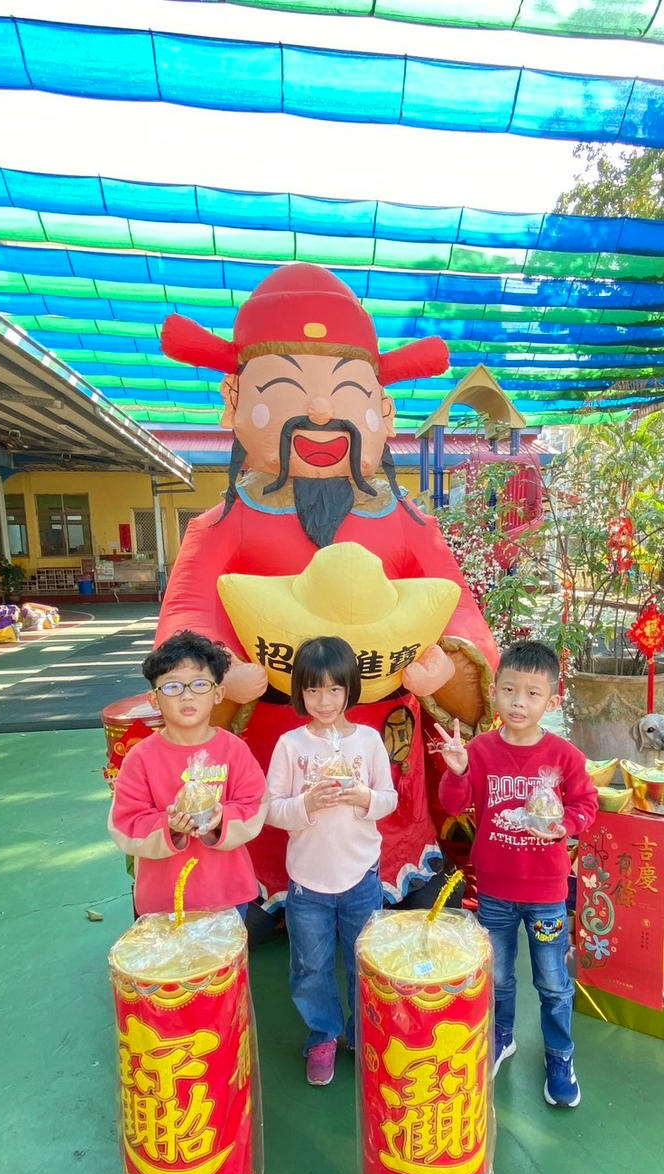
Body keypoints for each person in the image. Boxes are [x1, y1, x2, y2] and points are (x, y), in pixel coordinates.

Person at [153, 263, 499, 912]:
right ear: (233, 402)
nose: (318, 411)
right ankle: (263, 881)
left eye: (344, 392)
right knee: (271, 823)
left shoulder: (407, 522)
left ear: (384, 413)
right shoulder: (223, 524)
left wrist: (446, 669)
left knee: (389, 833)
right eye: (285, 389)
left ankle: (397, 864)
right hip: (272, 749)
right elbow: (186, 619)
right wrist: (219, 673)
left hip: (382, 749)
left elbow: (465, 617)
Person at [436, 639, 598, 1108]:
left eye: (532, 693)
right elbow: (453, 804)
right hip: (494, 891)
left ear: (553, 700)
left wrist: (564, 826)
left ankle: (560, 1055)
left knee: (553, 982)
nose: (518, 703)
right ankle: (502, 1036)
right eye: (509, 690)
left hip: (547, 893)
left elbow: (586, 804)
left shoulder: (565, 756)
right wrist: (457, 770)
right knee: (500, 976)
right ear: (494, 693)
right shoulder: (481, 749)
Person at [265, 636, 398, 1087]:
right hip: (307, 883)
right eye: (314, 689)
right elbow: (272, 809)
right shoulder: (290, 745)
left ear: (350, 689)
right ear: (300, 692)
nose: (325, 700)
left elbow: (389, 799)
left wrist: (363, 797)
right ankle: (323, 1034)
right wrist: (306, 804)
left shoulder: (368, 740)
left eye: (335, 689)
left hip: (361, 875)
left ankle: (363, 1033)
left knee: (363, 959)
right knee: (311, 965)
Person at [109, 630, 269, 918]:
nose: (187, 695)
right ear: (154, 699)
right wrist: (169, 825)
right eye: (172, 687)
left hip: (227, 896)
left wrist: (221, 818)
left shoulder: (234, 750)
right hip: (163, 901)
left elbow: (255, 806)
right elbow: (125, 825)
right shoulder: (140, 758)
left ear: (218, 694)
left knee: (228, 951)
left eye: (199, 684)